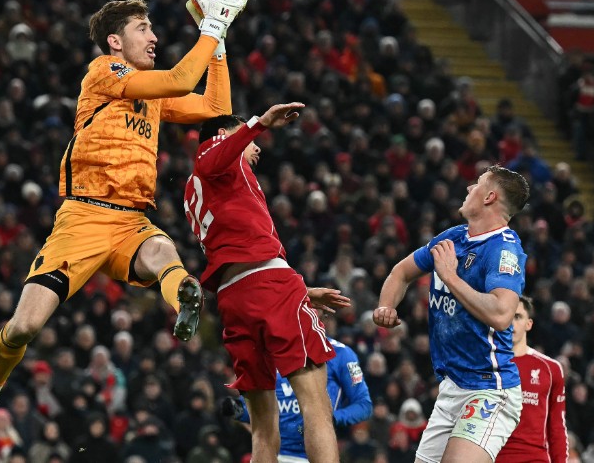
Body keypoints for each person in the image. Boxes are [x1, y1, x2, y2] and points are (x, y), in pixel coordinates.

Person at [0, 0, 248, 422]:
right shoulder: (104, 71)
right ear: (115, 42)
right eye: (143, 28)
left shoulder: (150, 97)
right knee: (24, 326)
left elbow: (218, 108)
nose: (154, 37)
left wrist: (218, 45)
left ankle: (186, 300)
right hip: (83, 218)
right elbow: (180, 78)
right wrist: (211, 26)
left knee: (161, 250)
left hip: (132, 221)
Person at [184, 106, 350, 462]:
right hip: (269, 285)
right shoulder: (214, 159)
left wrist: (303, 292)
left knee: (263, 426)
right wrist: (258, 123)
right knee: (316, 405)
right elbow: (215, 155)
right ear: (225, 135)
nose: (257, 147)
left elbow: (238, 253)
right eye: (244, 135)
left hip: (235, 296)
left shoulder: (196, 189)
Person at [373, 165, 530, 463]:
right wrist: (386, 306)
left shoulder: (504, 251)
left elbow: (501, 314)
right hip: (452, 387)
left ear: (489, 197)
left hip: (489, 388)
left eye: (477, 184)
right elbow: (401, 272)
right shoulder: (454, 237)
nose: (469, 188)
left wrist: (450, 277)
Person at [229, 337, 373, 462]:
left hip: (313, 456)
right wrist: (240, 409)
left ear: (325, 311)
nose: (307, 308)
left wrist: (328, 419)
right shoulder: (268, 350)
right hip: (270, 454)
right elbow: (265, 407)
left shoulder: (341, 353)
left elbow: (363, 405)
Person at [496, 296, 568, 463]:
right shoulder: (482, 366)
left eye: (517, 317)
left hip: (534, 458)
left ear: (529, 324)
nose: (511, 323)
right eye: (507, 315)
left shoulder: (550, 369)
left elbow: (557, 427)